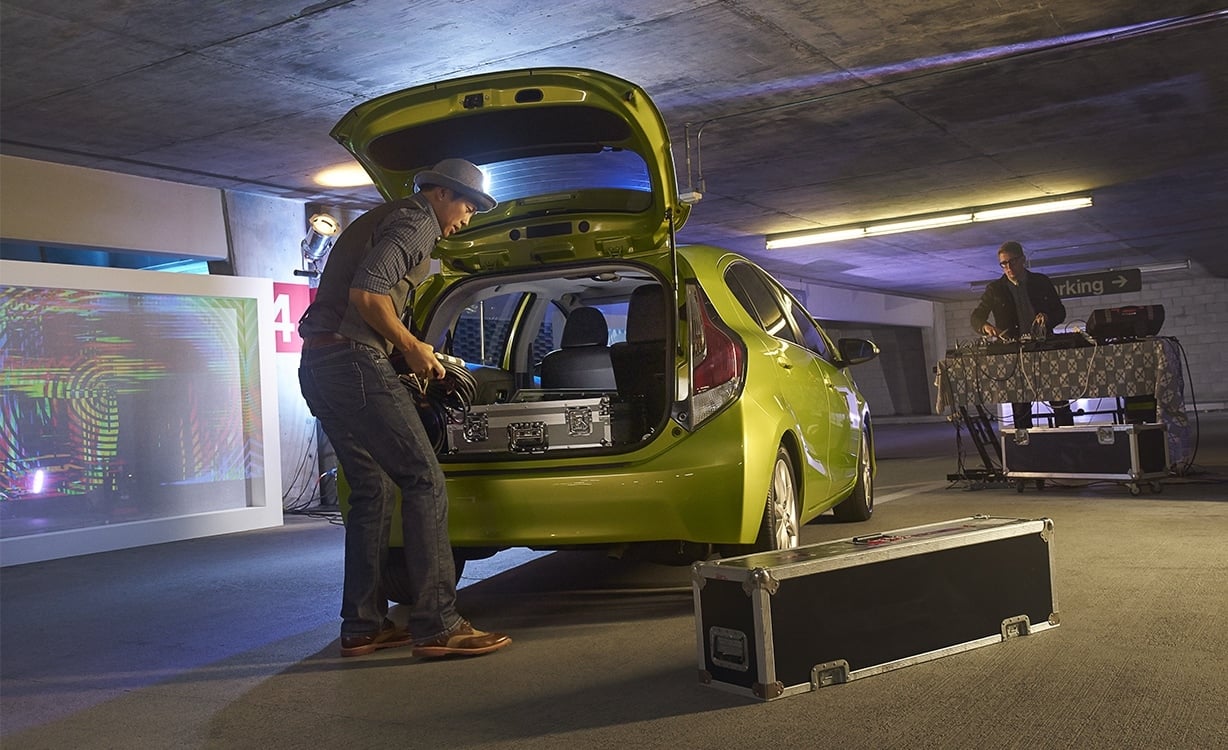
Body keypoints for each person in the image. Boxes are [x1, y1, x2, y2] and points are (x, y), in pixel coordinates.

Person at [297, 158, 511, 658]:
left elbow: (363, 298)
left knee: (372, 489)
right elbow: (369, 293)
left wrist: (402, 355)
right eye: (468, 205)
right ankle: (438, 624)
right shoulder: (417, 221)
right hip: (353, 360)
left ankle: (363, 625)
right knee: (423, 478)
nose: (469, 217)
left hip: (321, 365)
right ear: (439, 194)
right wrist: (414, 348)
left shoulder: (387, 220)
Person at [970, 241, 1074, 429]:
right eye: (1003, 264)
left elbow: (1060, 311)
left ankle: (1071, 444)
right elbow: (977, 316)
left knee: (1060, 402)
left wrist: (1048, 317)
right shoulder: (995, 289)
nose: (1008, 267)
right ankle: (1025, 449)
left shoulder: (1041, 282)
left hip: (1044, 350)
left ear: (1023, 260)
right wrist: (985, 326)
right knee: (1020, 407)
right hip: (1014, 355)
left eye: (1012, 262)